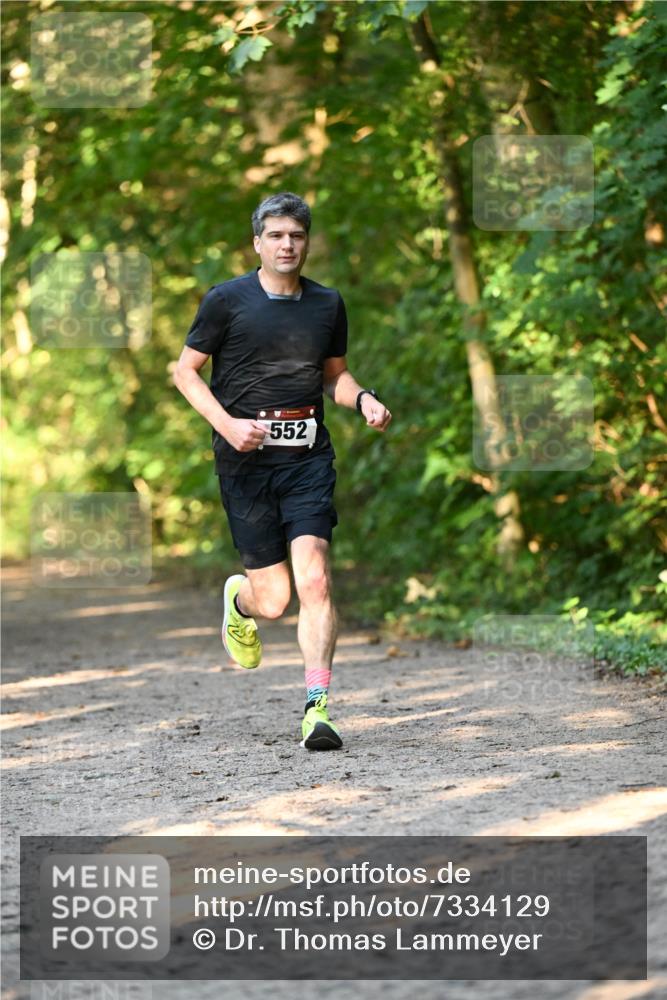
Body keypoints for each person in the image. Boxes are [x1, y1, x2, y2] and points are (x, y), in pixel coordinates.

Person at [174, 192, 391, 750]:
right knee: (273, 601)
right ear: (257, 243)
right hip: (245, 463)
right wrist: (227, 425)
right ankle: (240, 601)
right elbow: (185, 372)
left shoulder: (327, 304)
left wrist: (362, 397)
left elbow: (334, 375)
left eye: (296, 235)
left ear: (307, 242)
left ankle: (317, 710)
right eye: (275, 235)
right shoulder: (226, 301)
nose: (286, 245)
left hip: (307, 458)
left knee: (314, 578)